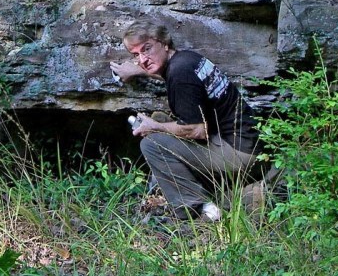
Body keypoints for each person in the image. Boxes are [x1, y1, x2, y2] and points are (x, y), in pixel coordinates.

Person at [110, 20, 261, 221]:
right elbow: (180, 80)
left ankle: (197, 208)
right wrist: (139, 71)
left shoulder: (180, 73)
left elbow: (198, 130)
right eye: (136, 55)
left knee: (152, 144)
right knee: (161, 120)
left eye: (147, 49)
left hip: (238, 152)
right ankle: (182, 193)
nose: (143, 59)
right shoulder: (187, 60)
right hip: (248, 140)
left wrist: (154, 127)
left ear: (164, 42)